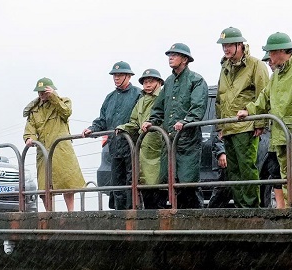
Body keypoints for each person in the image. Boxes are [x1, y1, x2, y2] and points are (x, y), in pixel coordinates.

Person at [238, 33, 292, 208]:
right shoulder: (277, 75)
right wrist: (249, 110)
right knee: (285, 174)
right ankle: (291, 210)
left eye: (271, 52)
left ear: (281, 51)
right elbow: (265, 97)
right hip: (281, 131)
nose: (270, 57)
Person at [144, 43, 208, 208]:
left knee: (188, 182)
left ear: (185, 59)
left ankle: (196, 218)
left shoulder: (196, 80)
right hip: (169, 140)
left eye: (175, 55)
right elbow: (159, 108)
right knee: (169, 182)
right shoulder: (169, 82)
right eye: (169, 55)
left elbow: (198, 108)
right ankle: (176, 220)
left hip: (188, 141)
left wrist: (186, 122)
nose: (170, 57)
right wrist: (152, 121)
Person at [211, 27, 269, 208]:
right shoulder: (225, 67)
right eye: (223, 45)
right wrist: (220, 126)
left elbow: (264, 94)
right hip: (228, 125)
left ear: (240, 45)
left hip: (246, 126)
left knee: (247, 167)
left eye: (229, 45)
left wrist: (260, 122)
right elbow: (220, 98)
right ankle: (240, 207)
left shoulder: (256, 65)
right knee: (233, 171)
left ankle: (251, 208)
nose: (226, 49)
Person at [83, 61, 140, 210]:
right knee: (116, 181)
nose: (116, 77)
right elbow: (102, 119)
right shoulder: (110, 97)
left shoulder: (138, 94)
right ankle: (120, 214)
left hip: (133, 145)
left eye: (119, 74)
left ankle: (133, 212)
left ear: (128, 76)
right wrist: (92, 128)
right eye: (114, 75)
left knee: (132, 181)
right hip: (114, 147)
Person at [24, 77, 86, 211]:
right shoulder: (35, 110)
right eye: (39, 91)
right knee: (44, 186)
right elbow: (30, 127)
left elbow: (66, 112)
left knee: (67, 183)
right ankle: (49, 214)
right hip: (43, 150)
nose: (41, 94)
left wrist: (53, 97)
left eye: (44, 91)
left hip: (61, 149)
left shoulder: (63, 102)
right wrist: (29, 137)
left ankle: (71, 214)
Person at [119, 68, 165, 209]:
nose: (147, 84)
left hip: (158, 144)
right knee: (145, 184)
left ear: (158, 82)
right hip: (143, 146)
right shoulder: (141, 100)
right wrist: (123, 127)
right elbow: (134, 121)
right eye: (145, 82)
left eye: (151, 81)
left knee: (159, 184)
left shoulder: (163, 97)